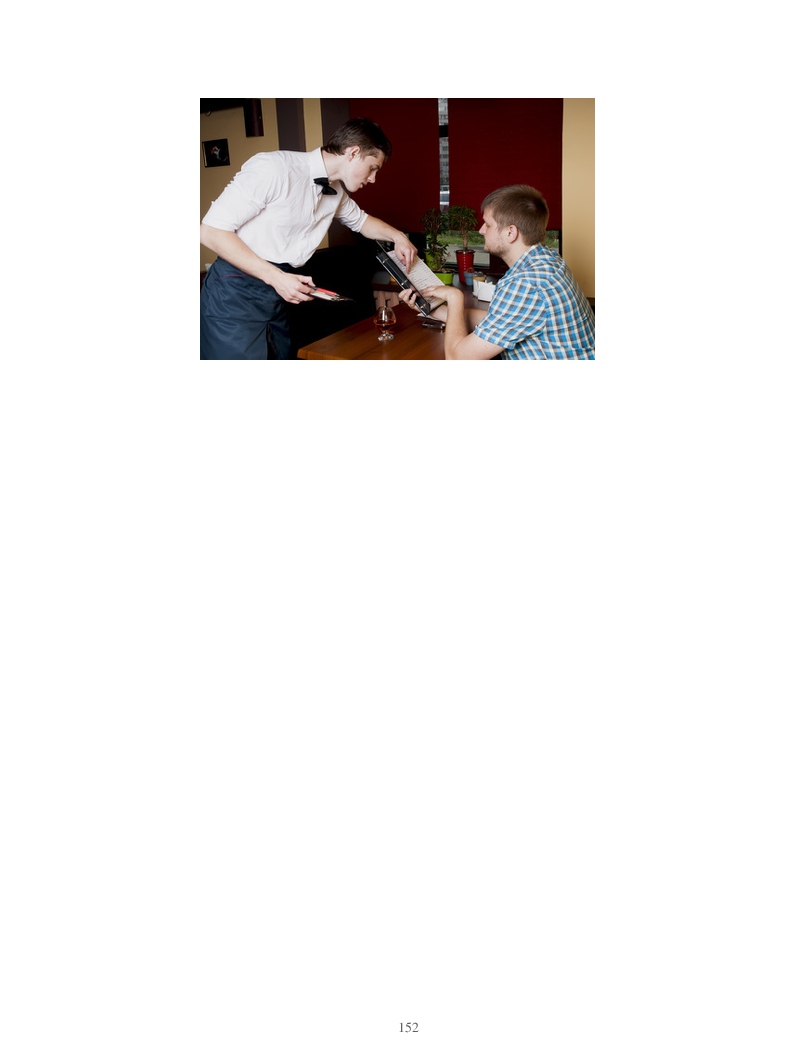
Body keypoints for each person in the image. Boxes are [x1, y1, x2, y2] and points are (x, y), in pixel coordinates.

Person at [200, 118, 417, 360]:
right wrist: (276, 278)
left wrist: (398, 237)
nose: (373, 178)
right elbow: (210, 231)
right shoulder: (274, 168)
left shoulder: (336, 192)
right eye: (373, 167)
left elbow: (362, 222)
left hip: (277, 296)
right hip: (232, 296)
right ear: (354, 153)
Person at [400, 184, 594, 360]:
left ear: (511, 232)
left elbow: (457, 358)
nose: (481, 230)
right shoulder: (546, 259)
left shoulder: (525, 283)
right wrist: (435, 309)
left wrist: (454, 297)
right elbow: (498, 320)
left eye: (488, 224)